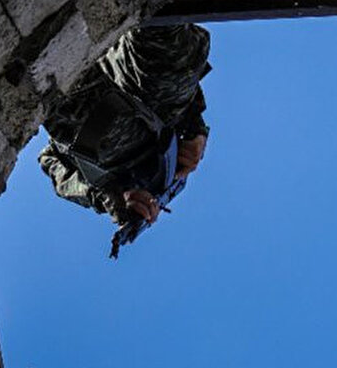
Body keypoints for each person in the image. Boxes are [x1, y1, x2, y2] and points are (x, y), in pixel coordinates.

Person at [38, 24, 211, 238]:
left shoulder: (118, 195)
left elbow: (50, 161)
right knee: (173, 54)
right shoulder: (176, 171)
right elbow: (186, 105)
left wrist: (111, 196)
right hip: (146, 93)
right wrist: (197, 132)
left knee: (40, 64)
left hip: (101, 133)